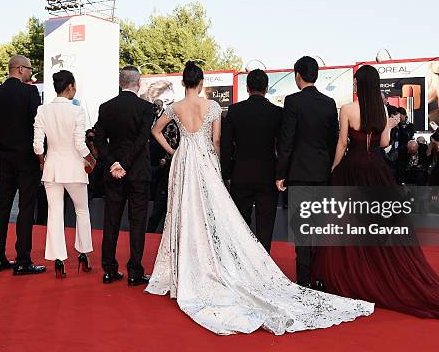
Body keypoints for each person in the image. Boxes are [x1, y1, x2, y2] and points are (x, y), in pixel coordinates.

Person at [146, 61, 373, 336]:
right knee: (268, 225)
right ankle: (266, 270)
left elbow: (218, 143)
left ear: (184, 82)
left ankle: (214, 265)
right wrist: (279, 172)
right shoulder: (251, 110)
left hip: (204, 167)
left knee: (192, 215)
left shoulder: (228, 111)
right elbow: (223, 142)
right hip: (252, 172)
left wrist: (178, 153)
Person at [312, 65, 439, 323]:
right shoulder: (381, 110)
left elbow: (342, 144)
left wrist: (334, 169)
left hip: (352, 170)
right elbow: (383, 144)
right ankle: (375, 273)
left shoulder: (348, 109)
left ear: (359, 85)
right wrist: (390, 126)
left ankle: (349, 275)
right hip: (376, 170)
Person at [0, 55, 45, 275]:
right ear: (20, 69)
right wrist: (41, 153)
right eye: (30, 69)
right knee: (26, 208)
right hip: (27, 158)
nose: (31, 73)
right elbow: (38, 125)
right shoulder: (30, 93)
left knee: (2, 207)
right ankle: (23, 260)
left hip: (5, 158)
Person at [275, 56, 339, 287]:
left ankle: (303, 280)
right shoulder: (329, 103)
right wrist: (329, 167)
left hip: (299, 173)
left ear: (297, 76)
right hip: (322, 172)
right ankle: (319, 277)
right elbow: (334, 141)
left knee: (302, 228)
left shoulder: (292, 102)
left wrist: (280, 173)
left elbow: (287, 140)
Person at [33, 70, 96, 279]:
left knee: (55, 213)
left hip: (52, 169)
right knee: (82, 211)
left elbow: (37, 145)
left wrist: (43, 161)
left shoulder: (42, 110)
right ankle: (83, 253)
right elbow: (80, 143)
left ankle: (59, 259)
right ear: (69, 87)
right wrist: (92, 159)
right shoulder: (77, 112)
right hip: (74, 169)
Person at [94, 66, 153, 286]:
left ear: (120, 82)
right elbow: (142, 139)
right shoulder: (146, 108)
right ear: (138, 83)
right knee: (137, 222)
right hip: (137, 172)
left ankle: (109, 269)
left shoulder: (106, 107)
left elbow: (99, 140)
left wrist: (114, 163)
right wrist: (124, 164)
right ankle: (135, 272)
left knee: (111, 220)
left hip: (113, 173)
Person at [221, 69, 282, 252]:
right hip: (268, 174)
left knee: (240, 223)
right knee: (265, 223)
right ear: (267, 88)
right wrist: (281, 173)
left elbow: (226, 146)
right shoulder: (277, 112)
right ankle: (264, 264)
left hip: (241, 173)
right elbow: (283, 147)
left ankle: (243, 263)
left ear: (247, 88)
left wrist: (227, 173)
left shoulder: (235, 111)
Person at [146, 112, 179, 233]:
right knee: (159, 209)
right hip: (167, 170)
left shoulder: (174, 125)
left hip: (171, 169)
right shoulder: (169, 126)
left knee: (160, 209)